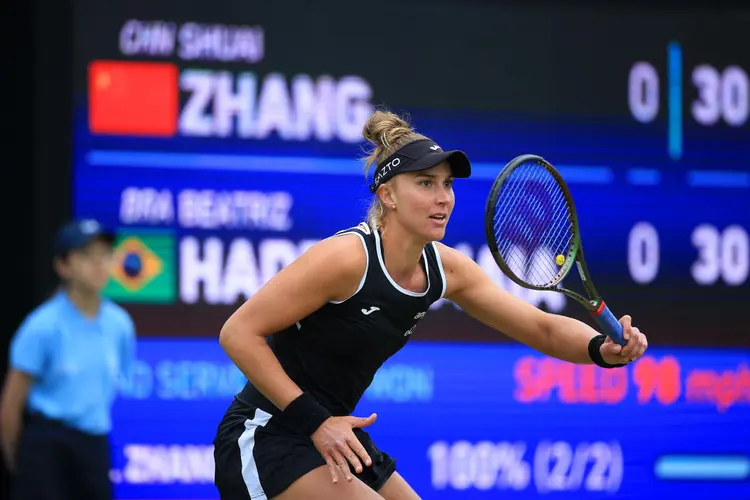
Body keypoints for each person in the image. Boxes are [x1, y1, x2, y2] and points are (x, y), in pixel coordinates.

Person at [212, 110, 648, 500]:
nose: (444, 198)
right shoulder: (346, 259)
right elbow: (238, 334)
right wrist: (317, 423)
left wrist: (601, 350)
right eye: (426, 183)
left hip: (336, 434)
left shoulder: (447, 270)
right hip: (266, 435)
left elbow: (543, 329)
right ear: (388, 196)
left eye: (447, 185)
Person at [0, 219, 136, 500]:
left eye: (104, 255)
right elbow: (11, 405)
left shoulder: (120, 323)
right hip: (47, 445)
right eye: (86, 256)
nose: (98, 264)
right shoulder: (42, 325)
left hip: (94, 445)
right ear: (63, 266)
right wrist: (21, 463)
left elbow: (117, 378)